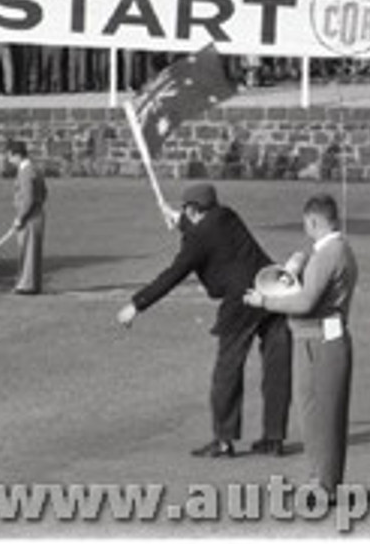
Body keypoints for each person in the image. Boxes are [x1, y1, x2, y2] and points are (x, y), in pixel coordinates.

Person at [117, 183, 292, 459]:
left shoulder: (198, 238)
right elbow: (204, 230)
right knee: (277, 370)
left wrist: (136, 305)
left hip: (242, 302)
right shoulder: (228, 215)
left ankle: (223, 440)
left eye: (187, 210)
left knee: (227, 370)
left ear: (194, 209)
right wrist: (180, 221)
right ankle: (275, 438)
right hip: (273, 289)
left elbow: (173, 274)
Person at [244, 193, 357, 496]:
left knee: (317, 418)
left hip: (317, 343)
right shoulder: (336, 250)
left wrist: (265, 301)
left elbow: (306, 302)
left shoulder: (328, 254)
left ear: (313, 221)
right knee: (325, 417)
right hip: (324, 339)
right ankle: (324, 482)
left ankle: (323, 485)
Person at [7, 140, 47, 295]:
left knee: (28, 251)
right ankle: (32, 284)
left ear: (17, 155)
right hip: (36, 214)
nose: (9, 160)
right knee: (32, 251)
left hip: (29, 217)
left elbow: (28, 198)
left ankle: (27, 285)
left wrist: (20, 217)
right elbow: (44, 193)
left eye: (10, 157)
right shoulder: (34, 168)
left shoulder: (25, 171)